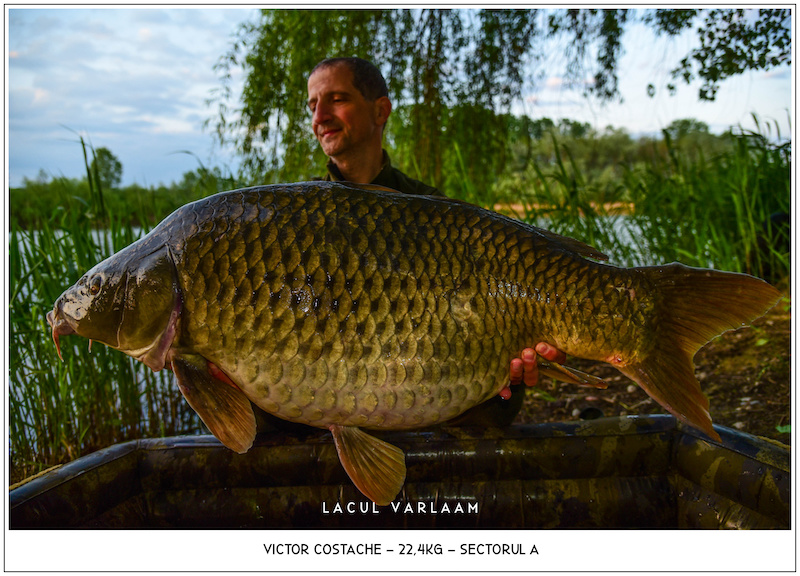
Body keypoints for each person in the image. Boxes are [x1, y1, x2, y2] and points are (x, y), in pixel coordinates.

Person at [307, 57, 566, 424]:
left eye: (337, 99)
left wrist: (513, 367)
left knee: (501, 397)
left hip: (424, 391)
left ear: (380, 110)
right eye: (313, 105)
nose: (320, 117)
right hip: (329, 397)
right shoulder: (300, 220)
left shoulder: (438, 214)